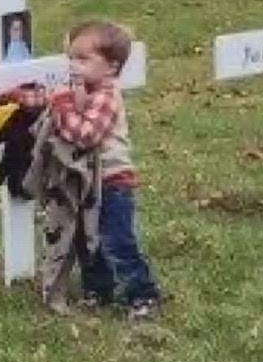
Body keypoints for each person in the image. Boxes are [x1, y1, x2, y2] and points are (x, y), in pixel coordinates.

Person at [12, 20, 160, 319]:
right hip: (82, 182)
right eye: (70, 57)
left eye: (83, 58)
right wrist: (16, 98)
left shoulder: (107, 96)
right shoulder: (73, 89)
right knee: (85, 239)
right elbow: (48, 100)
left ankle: (142, 294)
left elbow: (84, 134)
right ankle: (98, 289)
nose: (73, 65)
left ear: (111, 66)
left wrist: (64, 104)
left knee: (115, 240)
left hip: (111, 183)